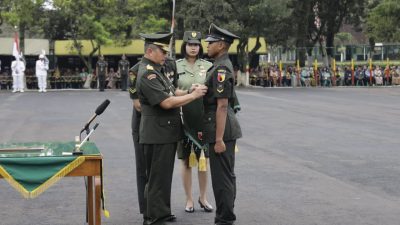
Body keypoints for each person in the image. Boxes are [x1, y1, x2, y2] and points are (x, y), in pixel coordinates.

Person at [136, 32, 208, 225]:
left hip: (164, 132)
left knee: (163, 177)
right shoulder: (148, 73)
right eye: (162, 51)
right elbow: (167, 102)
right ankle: (153, 217)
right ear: (150, 51)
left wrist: (189, 91)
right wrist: (193, 97)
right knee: (156, 178)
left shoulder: (158, 69)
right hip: (156, 133)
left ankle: (162, 212)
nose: (166, 55)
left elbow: (173, 91)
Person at [203, 23, 242, 225]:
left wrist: (218, 139)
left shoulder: (221, 68)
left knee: (222, 179)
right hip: (221, 127)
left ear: (221, 44)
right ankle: (226, 215)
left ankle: (225, 219)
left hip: (222, 130)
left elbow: (223, 106)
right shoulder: (219, 64)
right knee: (225, 176)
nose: (207, 45)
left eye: (211, 43)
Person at [176, 31, 213, 213]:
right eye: (190, 44)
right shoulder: (176, 66)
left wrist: (203, 88)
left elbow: (214, 89)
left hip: (203, 117)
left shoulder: (207, 65)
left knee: (203, 160)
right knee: (185, 160)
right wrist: (190, 91)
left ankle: (203, 197)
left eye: (196, 44)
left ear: (200, 47)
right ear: (184, 46)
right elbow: (171, 91)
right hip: (183, 118)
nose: (193, 47)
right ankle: (189, 199)